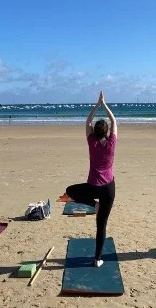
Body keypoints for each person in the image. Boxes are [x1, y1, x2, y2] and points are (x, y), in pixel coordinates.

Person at [58, 91, 117, 267]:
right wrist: (104, 105)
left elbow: (87, 122)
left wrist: (96, 106)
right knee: (102, 224)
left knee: (70, 191)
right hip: (108, 188)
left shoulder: (92, 141)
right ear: (106, 132)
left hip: (92, 187)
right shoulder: (112, 143)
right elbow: (113, 121)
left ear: (95, 132)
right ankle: (98, 258)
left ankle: (94, 205)